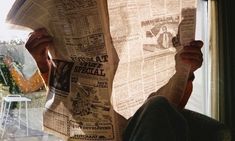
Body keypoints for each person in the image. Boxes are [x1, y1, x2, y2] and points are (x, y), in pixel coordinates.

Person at [26, 28, 204, 141]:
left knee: (158, 105)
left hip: (141, 127)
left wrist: (186, 70)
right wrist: (42, 63)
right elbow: (64, 100)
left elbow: (171, 107)